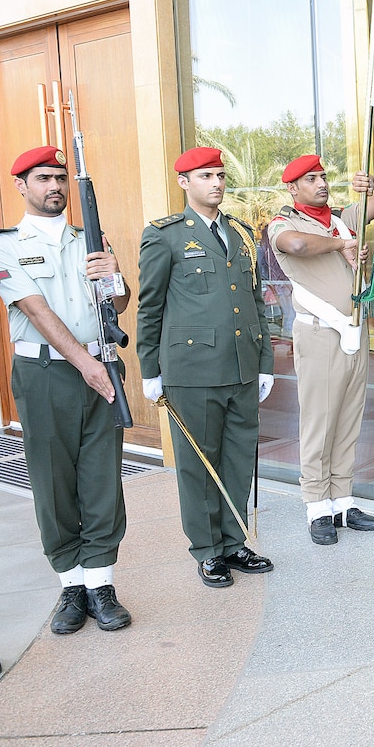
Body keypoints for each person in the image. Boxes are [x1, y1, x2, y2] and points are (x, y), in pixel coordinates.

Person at [0, 146, 132, 633]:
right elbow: (35, 309)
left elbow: (119, 301)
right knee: (53, 480)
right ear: (21, 186)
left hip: (101, 365)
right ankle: (71, 586)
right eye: (43, 178)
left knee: (101, 478)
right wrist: (86, 365)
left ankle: (101, 583)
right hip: (47, 374)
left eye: (59, 178)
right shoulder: (5, 244)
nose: (55, 187)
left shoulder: (89, 238)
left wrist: (112, 275)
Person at [137, 147, 275, 588]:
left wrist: (265, 362)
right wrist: (149, 370)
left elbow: (255, 301)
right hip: (192, 369)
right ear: (184, 183)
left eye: (219, 175)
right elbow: (150, 307)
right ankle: (207, 549)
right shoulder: (164, 235)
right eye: (205, 176)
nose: (216, 182)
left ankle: (234, 542)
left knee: (237, 458)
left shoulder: (239, 233)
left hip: (241, 367)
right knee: (199, 463)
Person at [267, 155, 374, 545]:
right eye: (310, 179)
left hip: (353, 331)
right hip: (318, 335)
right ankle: (317, 506)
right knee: (319, 421)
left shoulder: (339, 218)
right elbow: (297, 245)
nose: (321, 184)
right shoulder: (284, 223)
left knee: (349, 419)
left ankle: (343, 500)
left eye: (322, 177)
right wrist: (344, 242)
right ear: (293, 188)